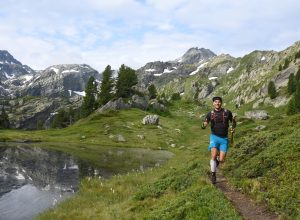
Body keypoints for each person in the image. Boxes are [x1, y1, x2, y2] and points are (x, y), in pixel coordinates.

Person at [201, 96, 236, 184]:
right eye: (215, 102)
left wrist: (233, 128)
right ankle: (213, 175)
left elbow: (233, 121)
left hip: (224, 138)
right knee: (212, 156)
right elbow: (204, 124)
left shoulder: (227, 112)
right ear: (213, 103)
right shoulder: (210, 114)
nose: (217, 103)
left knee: (222, 160)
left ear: (221, 103)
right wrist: (204, 125)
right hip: (214, 137)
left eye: (219, 102)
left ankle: (217, 160)